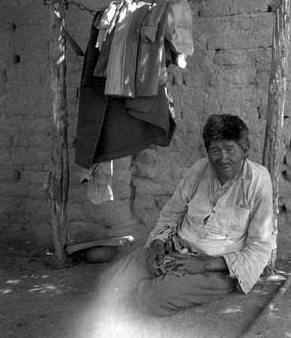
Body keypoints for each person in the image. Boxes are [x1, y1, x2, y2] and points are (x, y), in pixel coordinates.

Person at [102, 114, 273, 317]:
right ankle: (148, 281)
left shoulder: (258, 181)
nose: (223, 158)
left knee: (152, 297)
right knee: (111, 282)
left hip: (215, 267)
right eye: (215, 150)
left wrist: (202, 264)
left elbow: (260, 248)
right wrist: (158, 243)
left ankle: (149, 291)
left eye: (230, 149)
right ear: (208, 152)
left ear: (245, 151)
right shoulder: (199, 170)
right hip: (176, 248)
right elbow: (171, 214)